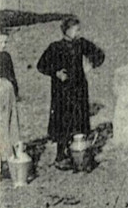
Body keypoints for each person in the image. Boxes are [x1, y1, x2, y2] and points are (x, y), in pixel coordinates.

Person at [36, 17, 104, 170]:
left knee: (79, 120)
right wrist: (56, 72)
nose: (79, 32)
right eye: (76, 29)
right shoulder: (55, 47)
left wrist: (91, 65)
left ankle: (80, 154)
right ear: (67, 30)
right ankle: (61, 156)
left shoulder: (81, 44)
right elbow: (41, 65)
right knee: (62, 121)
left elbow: (99, 55)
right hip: (62, 92)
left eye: (79, 29)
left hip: (79, 89)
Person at [0, 31, 20, 178]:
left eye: (4, 43)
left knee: (6, 125)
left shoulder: (5, 56)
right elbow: (11, 78)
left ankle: (6, 160)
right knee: (7, 125)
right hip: (5, 90)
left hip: (6, 92)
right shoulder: (5, 57)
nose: (3, 45)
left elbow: (12, 77)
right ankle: (8, 159)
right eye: (0, 42)